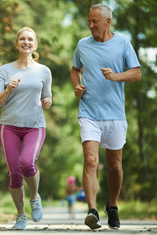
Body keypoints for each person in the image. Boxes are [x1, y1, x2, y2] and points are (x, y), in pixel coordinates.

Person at [70, 3, 141, 230]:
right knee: (91, 160)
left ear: (108, 22)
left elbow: (137, 73)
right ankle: (92, 211)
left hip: (115, 114)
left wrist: (117, 76)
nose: (90, 25)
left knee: (115, 165)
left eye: (95, 22)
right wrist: (77, 86)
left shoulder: (122, 43)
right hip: (89, 112)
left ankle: (112, 205)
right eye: (89, 21)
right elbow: (75, 69)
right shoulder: (82, 45)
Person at [0, 26, 52, 230]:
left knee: (27, 163)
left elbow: (47, 96)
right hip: (9, 126)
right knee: (14, 172)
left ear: (35, 44)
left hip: (35, 126)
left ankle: (34, 197)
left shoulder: (44, 70)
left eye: (30, 39)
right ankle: (20, 215)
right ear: (16, 44)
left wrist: (48, 102)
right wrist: (8, 89)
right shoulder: (5, 70)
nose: (26, 42)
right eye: (22, 39)